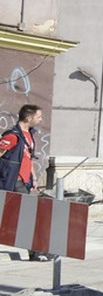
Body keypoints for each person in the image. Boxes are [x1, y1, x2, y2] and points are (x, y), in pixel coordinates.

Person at [0, 104, 49, 261]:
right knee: (28, 216)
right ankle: (36, 252)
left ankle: (36, 251)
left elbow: (27, 158)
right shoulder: (13, 136)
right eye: (39, 117)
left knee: (20, 217)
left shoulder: (28, 135)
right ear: (29, 118)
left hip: (25, 181)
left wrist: (33, 177)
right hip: (14, 181)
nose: (41, 119)